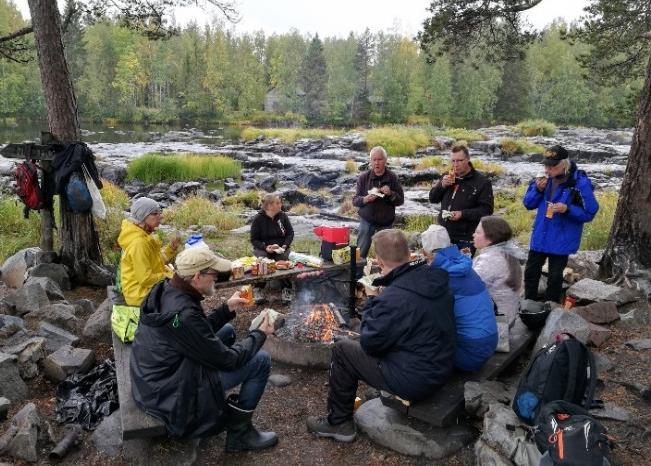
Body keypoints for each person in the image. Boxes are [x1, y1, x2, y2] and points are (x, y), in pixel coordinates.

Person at [306, 229, 456, 442]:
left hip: (416, 380)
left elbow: (371, 345)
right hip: (441, 365)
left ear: (378, 261)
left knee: (343, 349)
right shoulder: (434, 277)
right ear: (409, 253)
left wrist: (373, 301)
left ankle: (339, 423)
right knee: (357, 339)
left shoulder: (393, 299)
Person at [130, 247, 278, 451]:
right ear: (197, 276)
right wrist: (260, 334)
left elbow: (190, 333)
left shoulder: (169, 289)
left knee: (226, 330)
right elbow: (228, 360)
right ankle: (240, 435)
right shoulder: (183, 314)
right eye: (213, 274)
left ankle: (220, 404)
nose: (216, 278)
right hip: (169, 392)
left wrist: (226, 309)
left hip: (153, 378)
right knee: (260, 360)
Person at [522, 145, 599, 303]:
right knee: (530, 272)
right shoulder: (542, 179)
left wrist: (567, 209)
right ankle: (527, 305)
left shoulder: (580, 183)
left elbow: (590, 213)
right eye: (546, 165)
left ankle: (551, 309)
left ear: (565, 164)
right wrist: (537, 189)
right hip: (540, 236)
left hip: (561, 239)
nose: (548, 170)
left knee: (555, 277)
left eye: (553, 166)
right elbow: (528, 204)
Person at [422, 224, 497, 372]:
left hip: (469, 353)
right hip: (489, 343)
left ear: (427, 253)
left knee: (419, 329)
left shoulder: (440, 277)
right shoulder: (465, 266)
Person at [429, 145, 494, 256]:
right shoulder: (447, 176)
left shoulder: (482, 182)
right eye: (453, 161)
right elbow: (433, 199)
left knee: (460, 270)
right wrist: (442, 186)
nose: (455, 164)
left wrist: (462, 214)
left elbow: (487, 210)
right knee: (441, 269)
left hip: (466, 239)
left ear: (468, 159)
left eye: (459, 161)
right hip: (443, 234)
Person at [118, 197, 181, 306]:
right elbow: (146, 279)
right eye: (155, 213)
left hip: (145, 287)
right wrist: (170, 276)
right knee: (182, 295)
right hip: (139, 294)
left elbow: (155, 262)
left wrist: (171, 249)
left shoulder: (144, 235)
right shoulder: (139, 243)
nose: (160, 216)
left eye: (159, 212)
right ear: (144, 216)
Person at [352, 146, 404, 259]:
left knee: (386, 255)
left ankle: (385, 274)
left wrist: (391, 194)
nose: (377, 163)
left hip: (385, 222)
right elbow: (355, 201)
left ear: (385, 161)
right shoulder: (363, 177)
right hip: (367, 220)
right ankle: (356, 275)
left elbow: (400, 201)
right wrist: (365, 199)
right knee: (360, 252)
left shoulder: (392, 177)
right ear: (370, 161)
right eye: (374, 160)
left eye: (380, 159)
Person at [472, 216, 523, 324]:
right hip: (509, 313)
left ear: (490, 239)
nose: (473, 235)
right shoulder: (505, 253)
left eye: (478, 232)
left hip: (497, 319)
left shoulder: (490, 260)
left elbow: (469, 286)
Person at [250, 193, 294, 304]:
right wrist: (265, 248)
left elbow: (290, 233)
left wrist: (284, 245)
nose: (281, 205)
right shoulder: (258, 219)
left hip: (280, 247)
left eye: (280, 202)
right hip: (263, 248)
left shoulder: (283, 216)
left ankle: (287, 289)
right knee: (263, 260)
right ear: (269, 206)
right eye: (278, 203)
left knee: (284, 258)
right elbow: (254, 240)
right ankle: (258, 289)